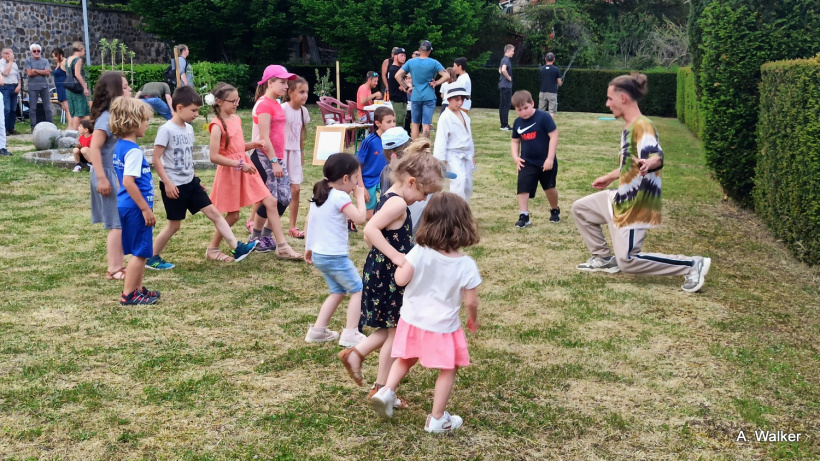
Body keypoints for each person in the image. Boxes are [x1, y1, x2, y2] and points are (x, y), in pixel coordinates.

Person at [572, 73, 712, 293]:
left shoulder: (642, 127)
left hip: (636, 206)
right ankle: (604, 259)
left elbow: (657, 156)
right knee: (581, 209)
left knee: (628, 261)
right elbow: (631, 163)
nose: (607, 103)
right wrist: (610, 176)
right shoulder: (630, 127)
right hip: (620, 198)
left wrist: (651, 163)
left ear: (623, 98)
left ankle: (692, 264)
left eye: (610, 99)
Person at [371, 192, 481, 434]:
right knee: (449, 368)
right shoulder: (466, 265)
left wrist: (405, 267)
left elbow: (400, 280)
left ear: (428, 222)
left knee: (406, 357)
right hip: (442, 327)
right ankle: (437, 419)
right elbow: (471, 301)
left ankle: (387, 391)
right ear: (464, 225)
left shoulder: (418, 252)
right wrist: (473, 319)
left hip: (411, 321)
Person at [338, 151, 443, 404]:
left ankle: (356, 354)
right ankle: (382, 389)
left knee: (389, 329)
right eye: (424, 193)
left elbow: (370, 237)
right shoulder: (397, 204)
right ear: (411, 182)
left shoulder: (388, 197)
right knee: (396, 333)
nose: (423, 199)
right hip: (389, 276)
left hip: (380, 271)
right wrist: (397, 256)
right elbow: (370, 230)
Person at [148, 86, 258, 270]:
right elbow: (156, 158)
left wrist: (196, 178)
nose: (196, 114)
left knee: (214, 214)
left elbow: (187, 158)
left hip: (191, 183)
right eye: (193, 110)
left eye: (198, 110)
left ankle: (237, 247)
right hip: (174, 187)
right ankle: (152, 257)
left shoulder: (189, 130)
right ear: (179, 108)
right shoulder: (166, 130)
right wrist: (167, 182)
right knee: (174, 226)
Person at [205, 82, 301, 261]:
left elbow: (237, 147)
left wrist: (253, 145)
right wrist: (239, 165)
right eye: (232, 101)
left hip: (245, 166)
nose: (236, 104)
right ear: (219, 102)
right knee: (233, 215)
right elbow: (214, 156)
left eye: (237, 100)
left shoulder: (236, 119)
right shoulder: (216, 125)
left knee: (271, 201)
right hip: (232, 171)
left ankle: (282, 246)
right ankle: (212, 248)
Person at [303, 154, 368, 344]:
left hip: (320, 254)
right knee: (358, 289)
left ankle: (317, 331)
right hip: (335, 256)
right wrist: (360, 198)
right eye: (356, 178)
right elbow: (359, 218)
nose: (357, 183)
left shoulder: (321, 194)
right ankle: (350, 333)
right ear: (345, 179)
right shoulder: (339, 196)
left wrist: (309, 247)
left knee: (338, 291)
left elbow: (309, 221)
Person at [110, 97, 161, 305]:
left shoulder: (120, 147)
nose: (147, 124)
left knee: (141, 250)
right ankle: (129, 294)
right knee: (140, 252)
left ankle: (138, 289)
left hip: (127, 205)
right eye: (145, 120)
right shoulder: (132, 151)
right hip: (135, 207)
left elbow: (120, 178)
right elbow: (129, 182)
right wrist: (145, 209)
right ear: (132, 121)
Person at [248, 65, 302, 259]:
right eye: (282, 82)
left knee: (284, 198)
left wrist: (278, 159)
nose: (286, 86)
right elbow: (264, 138)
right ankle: (266, 239)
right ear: (269, 83)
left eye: (287, 82)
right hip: (264, 157)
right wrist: (273, 162)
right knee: (272, 200)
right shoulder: (263, 105)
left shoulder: (276, 103)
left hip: (276, 157)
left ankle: (261, 236)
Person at [85, 72, 132, 281]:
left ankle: (119, 264)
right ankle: (114, 268)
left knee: (121, 221)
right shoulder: (106, 118)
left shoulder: (116, 117)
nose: (129, 90)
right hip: (107, 174)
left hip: (117, 174)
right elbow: (94, 147)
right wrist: (103, 178)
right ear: (114, 91)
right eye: (124, 87)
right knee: (116, 223)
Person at [510, 90, 560, 227]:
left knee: (549, 188)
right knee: (523, 187)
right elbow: (515, 141)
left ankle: (555, 210)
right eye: (519, 110)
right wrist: (516, 157)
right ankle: (524, 216)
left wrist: (550, 158)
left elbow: (554, 136)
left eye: (526, 108)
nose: (523, 112)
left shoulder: (544, 117)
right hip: (527, 162)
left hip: (546, 161)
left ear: (532, 103)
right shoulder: (517, 123)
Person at [394, 40, 450, 139]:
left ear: (419, 50)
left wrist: (407, 87)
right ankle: (425, 148)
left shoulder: (411, 62)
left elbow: (397, 76)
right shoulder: (434, 63)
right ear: (429, 51)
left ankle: (415, 148)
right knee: (426, 124)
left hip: (415, 96)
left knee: (415, 123)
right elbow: (447, 75)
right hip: (429, 96)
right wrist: (436, 83)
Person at [281, 76, 311, 239]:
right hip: (281, 152)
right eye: (301, 92)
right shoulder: (283, 108)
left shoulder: (303, 112)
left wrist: (301, 152)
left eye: (306, 92)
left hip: (294, 153)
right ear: (290, 92)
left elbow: (300, 134)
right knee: (273, 190)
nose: (305, 95)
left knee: (296, 189)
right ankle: (253, 221)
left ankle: (292, 226)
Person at [434, 87, 474, 202]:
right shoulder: (445, 117)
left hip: (466, 154)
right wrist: (441, 160)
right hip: (452, 154)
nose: (460, 102)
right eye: (457, 100)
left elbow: (468, 136)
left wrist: (472, 154)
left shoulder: (464, 115)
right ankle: (456, 210)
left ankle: (464, 208)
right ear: (449, 99)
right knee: (458, 181)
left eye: (461, 99)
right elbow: (441, 139)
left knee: (467, 184)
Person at [357, 106, 395, 220]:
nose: (393, 125)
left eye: (394, 121)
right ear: (378, 123)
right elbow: (357, 165)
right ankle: (351, 219)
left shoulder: (394, 139)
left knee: (391, 203)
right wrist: (361, 187)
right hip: (368, 180)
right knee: (368, 215)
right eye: (389, 122)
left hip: (385, 177)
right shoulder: (369, 141)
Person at [24, 43, 52, 128]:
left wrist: (35, 70)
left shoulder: (45, 61)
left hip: (44, 86)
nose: (36, 52)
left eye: (38, 50)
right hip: (33, 87)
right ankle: (33, 126)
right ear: (31, 52)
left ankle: (50, 125)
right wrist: (42, 71)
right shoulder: (28, 61)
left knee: (47, 108)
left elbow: (47, 73)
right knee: (33, 108)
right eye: (34, 51)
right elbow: (29, 73)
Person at [66, 42, 91, 131]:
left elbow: (68, 73)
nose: (84, 51)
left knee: (74, 110)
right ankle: (75, 131)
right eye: (84, 50)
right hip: (77, 88)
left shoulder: (68, 59)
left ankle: (79, 129)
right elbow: (77, 74)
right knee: (79, 110)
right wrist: (84, 87)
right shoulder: (78, 60)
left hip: (70, 88)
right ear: (80, 49)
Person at [0, 48, 21, 135]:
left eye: (11, 53)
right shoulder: (1, 63)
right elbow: (6, 73)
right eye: (7, 53)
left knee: (13, 109)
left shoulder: (15, 64)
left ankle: (11, 128)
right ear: (3, 54)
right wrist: (10, 62)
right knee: (7, 109)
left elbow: (18, 76)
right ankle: (4, 129)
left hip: (14, 86)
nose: (10, 55)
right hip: (5, 87)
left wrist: (19, 86)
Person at [386, 47, 408, 128]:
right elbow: (402, 86)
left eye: (405, 56)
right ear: (395, 56)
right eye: (401, 55)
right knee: (399, 124)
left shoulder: (398, 69)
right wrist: (408, 88)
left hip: (401, 100)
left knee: (401, 123)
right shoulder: (394, 70)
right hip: (397, 101)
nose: (404, 58)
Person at [538, 52, 562, 118]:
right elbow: (559, 83)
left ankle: (540, 126)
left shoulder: (542, 69)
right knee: (552, 111)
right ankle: (549, 126)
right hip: (552, 92)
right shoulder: (556, 69)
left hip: (542, 92)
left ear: (545, 59)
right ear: (554, 59)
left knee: (541, 110)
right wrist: (560, 83)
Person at [498, 44, 515, 131]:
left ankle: (503, 124)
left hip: (502, 85)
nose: (513, 53)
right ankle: (505, 125)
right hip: (506, 86)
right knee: (506, 105)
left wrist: (503, 74)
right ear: (508, 51)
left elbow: (500, 69)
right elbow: (503, 70)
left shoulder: (503, 59)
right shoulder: (506, 60)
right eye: (512, 51)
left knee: (502, 105)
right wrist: (509, 78)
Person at [51, 48, 70, 122]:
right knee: (65, 108)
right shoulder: (58, 63)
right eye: (53, 57)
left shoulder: (64, 62)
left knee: (68, 108)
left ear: (60, 55)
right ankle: (70, 125)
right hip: (59, 88)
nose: (54, 58)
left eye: (55, 56)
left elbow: (70, 74)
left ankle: (71, 126)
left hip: (64, 88)